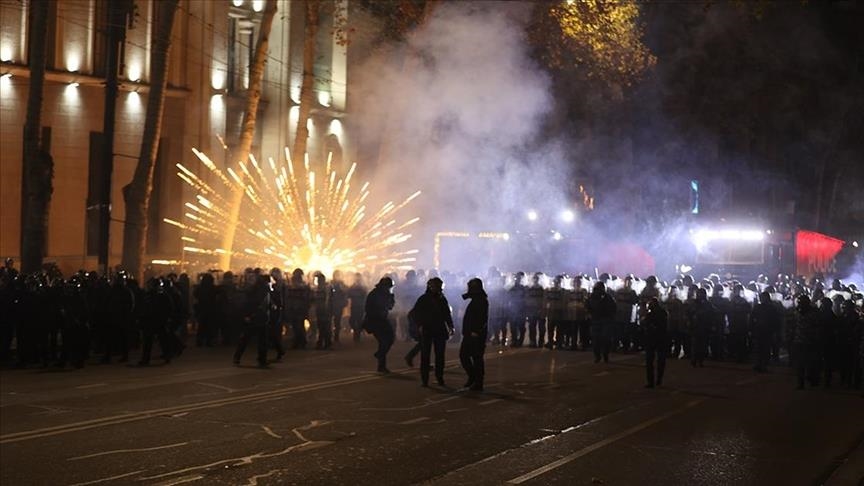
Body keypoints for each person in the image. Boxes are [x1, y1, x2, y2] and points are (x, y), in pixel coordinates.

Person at [410, 277, 454, 386]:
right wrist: (420, 325)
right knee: (426, 356)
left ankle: (439, 377)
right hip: (427, 330)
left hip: (438, 329)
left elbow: (447, 314)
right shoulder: (424, 299)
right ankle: (425, 380)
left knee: (439, 356)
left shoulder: (442, 299)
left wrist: (451, 326)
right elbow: (415, 314)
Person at [233, 273, 271, 368]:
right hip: (259, 316)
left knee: (246, 337)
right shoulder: (263, 290)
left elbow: (246, 303)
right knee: (261, 339)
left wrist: (246, 315)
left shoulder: (251, 290)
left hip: (254, 316)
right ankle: (262, 360)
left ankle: (237, 357)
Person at [460, 278, 488, 391]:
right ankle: (474, 377)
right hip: (469, 333)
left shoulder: (481, 301)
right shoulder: (477, 299)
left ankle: (478, 381)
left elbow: (481, 318)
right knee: (465, 356)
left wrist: (476, 331)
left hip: (476, 334)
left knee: (476, 358)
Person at [365, 276, 396, 373]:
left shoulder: (386, 294)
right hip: (375, 321)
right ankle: (381, 362)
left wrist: (391, 298)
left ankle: (381, 362)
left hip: (382, 320)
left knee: (388, 340)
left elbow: (390, 307)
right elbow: (371, 308)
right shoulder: (375, 294)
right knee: (384, 341)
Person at [750, 291, 781, 373]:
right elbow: (752, 318)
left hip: (767, 331)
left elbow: (776, 321)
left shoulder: (771, 308)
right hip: (760, 330)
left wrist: (775, 331)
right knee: (759, 348)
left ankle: (763, 364)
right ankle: (759, 364)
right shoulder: (759, 307)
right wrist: (752, 328)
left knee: (765, 349)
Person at [587, 281, 616, 363]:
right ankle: (597, 356)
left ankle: (605, 355)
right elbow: (588, 306)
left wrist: (610, 316)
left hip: (605, 320)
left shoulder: (608, 298)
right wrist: (590, 313)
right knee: (596, 340)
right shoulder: (592, 297)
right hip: (596, 320)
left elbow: (613, 308)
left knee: (606, 339)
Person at [642, 297, 668, 388]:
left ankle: (652, 381)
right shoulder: (662, 313)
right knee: (657, 361)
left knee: (652, 361)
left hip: (655, 339)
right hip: (657, 339)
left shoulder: (653, 314)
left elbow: (646, 325)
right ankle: (656, 380)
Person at [284, 269, 312, 349]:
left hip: (299, 309)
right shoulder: (294, 287)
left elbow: (307, 299)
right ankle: (299, 341)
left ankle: (301, 341)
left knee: (298, 326)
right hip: (295, 309)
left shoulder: (303, 287)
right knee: (296, 326)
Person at [346, 273, 367, 342]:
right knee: (352, 320)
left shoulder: (363, 287)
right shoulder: (352, 287)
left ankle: (357, 334)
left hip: (360, 306)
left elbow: (365, 294)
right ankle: (356, 331)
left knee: (359, 320)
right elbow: (348, 295)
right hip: (354, 306)